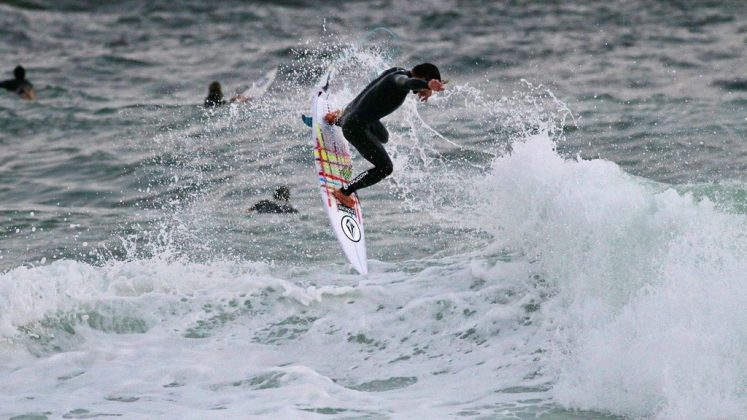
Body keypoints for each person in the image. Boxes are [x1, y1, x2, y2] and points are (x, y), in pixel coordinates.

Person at [324, 63, 445, 208]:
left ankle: (337, 119)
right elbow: (406, 82)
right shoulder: (400, 81)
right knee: (385, 168)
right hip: (354, 127)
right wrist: (427, 85)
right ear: (423, 77)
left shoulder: (396, 71)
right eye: (424, 85)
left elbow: (408, 82)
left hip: (350, 112)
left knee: (383, 137)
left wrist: (425, 86)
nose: (422, 90)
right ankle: (344, 192)